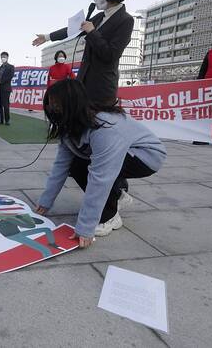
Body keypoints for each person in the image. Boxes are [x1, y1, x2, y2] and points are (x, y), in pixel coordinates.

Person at [35, 79, 166, 249]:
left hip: (146, 155)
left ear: (73, 103)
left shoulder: (104, 127)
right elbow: (60, 166)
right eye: (50, 104)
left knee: (89, 168)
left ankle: (109, 217)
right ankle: (118, 196)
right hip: (123, 153)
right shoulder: (70, 126)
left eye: (57, 105)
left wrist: (85, 227)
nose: (53, 109)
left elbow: (101, 177)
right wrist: (45, 202)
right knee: (75, 165)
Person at [32, 0, 134, 106]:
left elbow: (111, 54)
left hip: (101, 89)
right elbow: (74, 30)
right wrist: (47, 37)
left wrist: (92, 32)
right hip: (83, 83)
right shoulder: (100, 17)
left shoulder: (126, 20)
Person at [0, 51, 15, 125]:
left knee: (6, 105)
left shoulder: (11, 67)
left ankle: (7, 120)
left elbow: (10, 77)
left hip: (6, 89)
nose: (3, 58)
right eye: (2, 57)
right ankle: (1, 120)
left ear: (7, 57)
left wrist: (1, 81)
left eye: (4, 56)